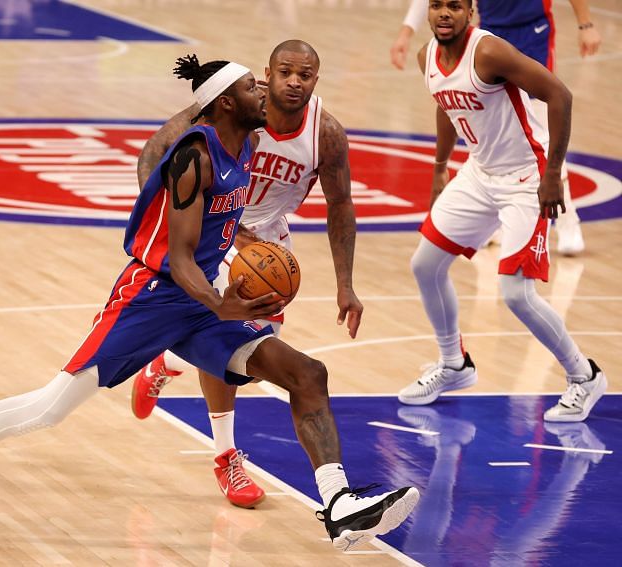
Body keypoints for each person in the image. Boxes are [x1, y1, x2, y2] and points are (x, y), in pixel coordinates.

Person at [0, 54, 419, 552]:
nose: (264, 91)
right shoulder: (192, 160)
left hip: (198, 301)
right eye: (253, 86)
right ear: (227, 102)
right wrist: (224, 304)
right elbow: (178, 259)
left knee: (307, 373)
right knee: (49, 408)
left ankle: (339, 505)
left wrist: (237, 278)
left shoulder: (245, 143)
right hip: (152, 298)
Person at [129, 39, 363, 509]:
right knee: (236, 346)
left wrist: (346, 285)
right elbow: (154, 154)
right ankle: (226, 456)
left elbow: (340, 204)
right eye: (285, 72)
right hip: (213, 235)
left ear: (316, 80)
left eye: (305, 75)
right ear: (267, 74)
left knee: (251, 363)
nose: (294, 82)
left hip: (266, 246)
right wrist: (173, 228)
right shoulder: (229, 106)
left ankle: (166, 363)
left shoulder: (326, 134)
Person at [396, 0, 607, 423]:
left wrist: (551, 175)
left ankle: (584, 375)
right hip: (479, 173)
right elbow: (444, 103)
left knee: (515, 292)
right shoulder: (428, 57)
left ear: (470, 12)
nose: (442, 13)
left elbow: (559, 94)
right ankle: (453, 363)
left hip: (525, 179)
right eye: (436, 4)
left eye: (454, 6)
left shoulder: (489, 52)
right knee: (425, 264)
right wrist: (440, 168)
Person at [390, 0, 602, 256]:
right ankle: (496, 217)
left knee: (540, 127)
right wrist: (406, 31)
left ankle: (567, 222)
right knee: (483, 123)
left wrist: (585, 23)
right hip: (490, 32)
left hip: (531, 31)